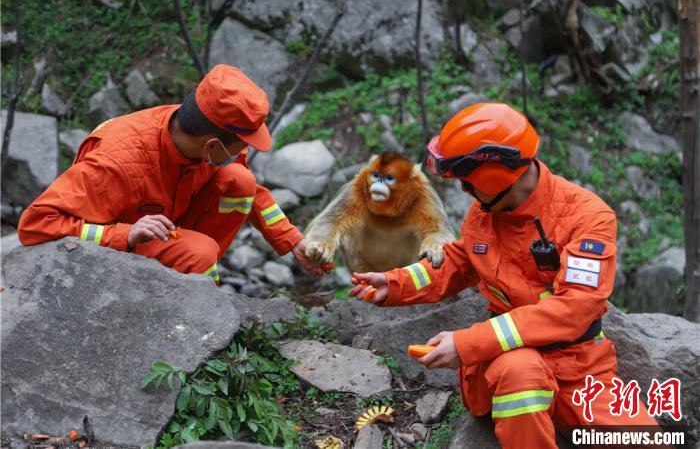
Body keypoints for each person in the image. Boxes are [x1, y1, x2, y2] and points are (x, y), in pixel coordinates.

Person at [350, 103, 663, 448]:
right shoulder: (485, 211)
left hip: (580, 366)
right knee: (521, 373)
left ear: (493, 178)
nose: (465, 192)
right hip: (504, 361)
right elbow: (458, 261)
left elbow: (576, 308)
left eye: (468, 184)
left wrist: (467, 342)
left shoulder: (588, 218)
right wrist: (395, 284)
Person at [18, 64, 324, 281]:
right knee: (200, 253)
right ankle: (196, 295)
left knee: (239, 181)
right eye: (241, 143)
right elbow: (34, 223)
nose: (243, 150)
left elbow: (252, 192)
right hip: (114, 248)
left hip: (164, 225)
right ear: (213, 144)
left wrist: (293, 240)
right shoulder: (117, 166)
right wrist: (125, 234)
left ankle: (189, 274)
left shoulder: (199, 130)